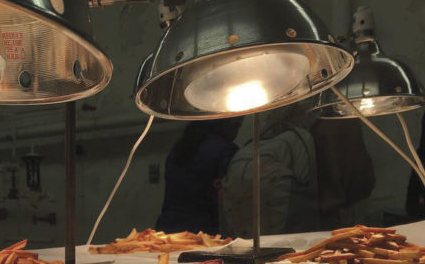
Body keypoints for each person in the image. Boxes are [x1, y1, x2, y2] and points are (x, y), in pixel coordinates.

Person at [221, 101, 319, 237]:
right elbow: (307, 181)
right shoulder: (300, 138)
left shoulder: (252, 143)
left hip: (239, 229)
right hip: (284, 230)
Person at [156, 117, 243, 235]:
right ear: (229, 124)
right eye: (237, 126)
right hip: (204, 233)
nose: (236, 133)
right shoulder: (225, 151)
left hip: (167, 230)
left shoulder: (179, 148)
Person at [310, 117, 375, 229]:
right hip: (337, 207)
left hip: (315, 209)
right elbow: (362, 175)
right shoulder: (343, 122)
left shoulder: (306, 123)